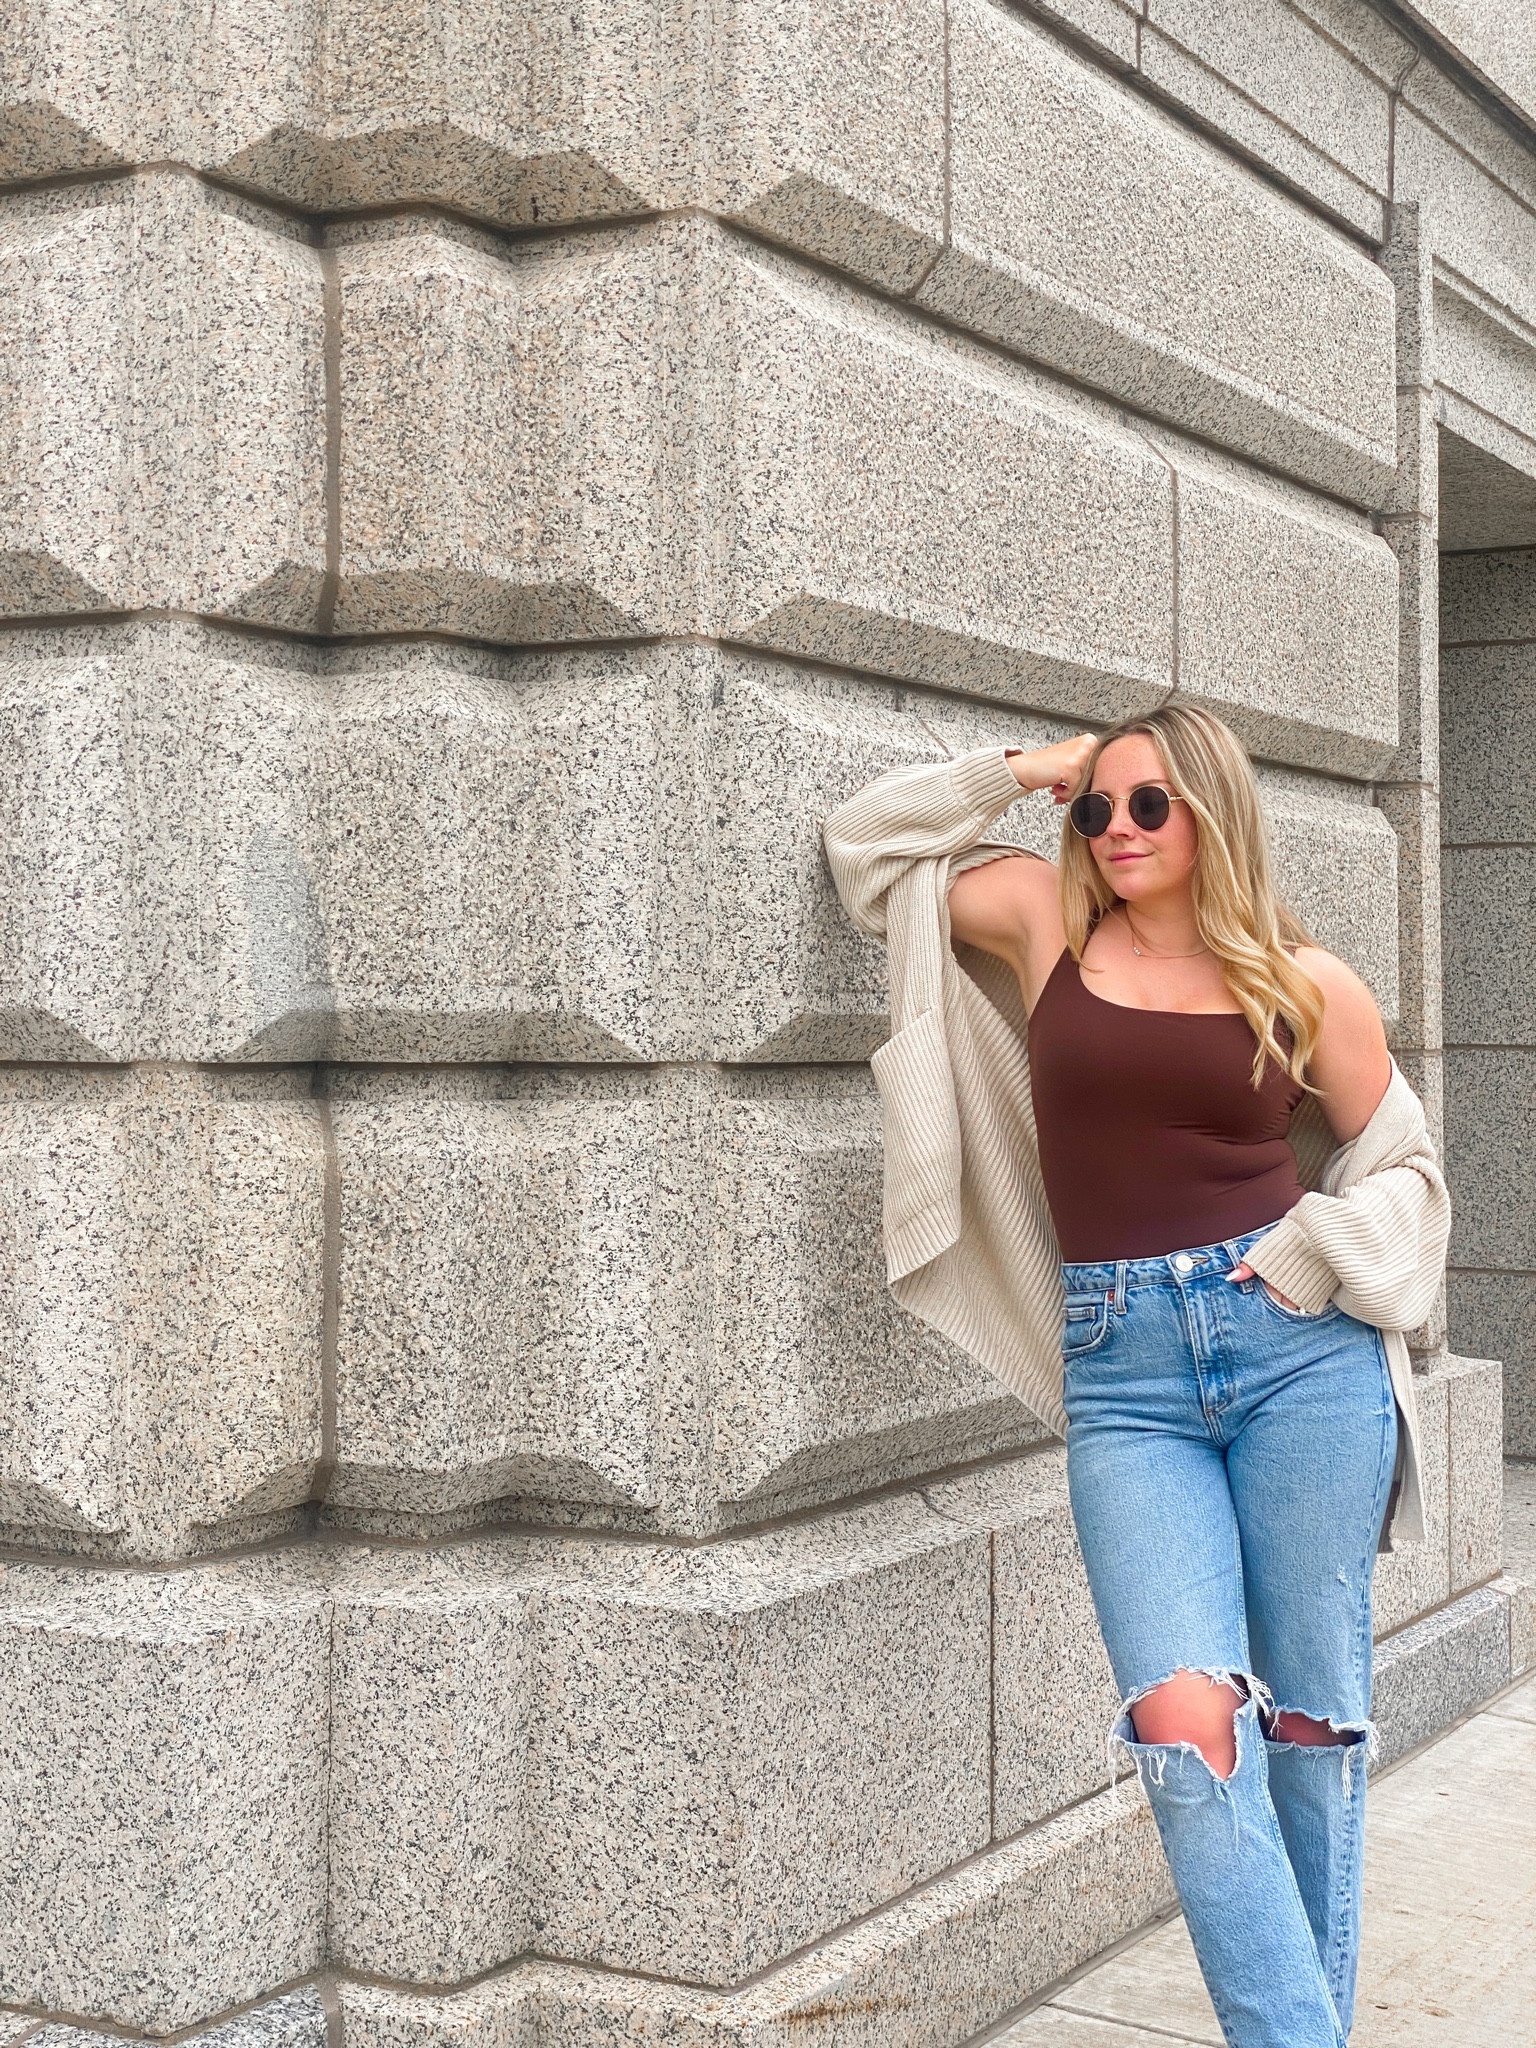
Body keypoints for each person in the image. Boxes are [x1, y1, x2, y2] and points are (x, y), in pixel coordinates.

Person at [822, 705, 1450, 2048]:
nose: (1114, 830)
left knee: (1311, 1729)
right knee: (1187, 1732)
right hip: (1126, 1375)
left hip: (1298, 1362)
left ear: (1212, 814)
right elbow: (864, 849)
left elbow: (1403, 1164)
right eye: (1096, 809)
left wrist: (1316, 1249)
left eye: (1148, 805)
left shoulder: (1303, 983)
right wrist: (1030, 771)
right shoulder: (1047, 928)